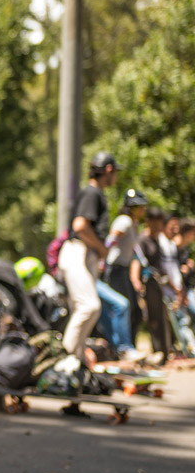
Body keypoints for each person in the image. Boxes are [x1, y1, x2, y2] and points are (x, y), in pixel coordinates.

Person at [57, 152, 120, 364]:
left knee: (82, 310)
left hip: (83, 255)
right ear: (108, 170)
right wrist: (102, 249)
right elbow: (80, 226)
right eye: (115, 172)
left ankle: (76, 363)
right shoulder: (92, 193)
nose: (115, 176)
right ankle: (63, 359)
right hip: (78, 252)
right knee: (89, 306)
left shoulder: (95, 193)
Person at [104, 189, 149, 352]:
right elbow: (111, 240)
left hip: (124, 269)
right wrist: (102, 259)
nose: (143, 210)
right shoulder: (124, 221)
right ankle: (121, 347)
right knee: (122, 307)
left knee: (133, 309)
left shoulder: (133, 223)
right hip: (115, 269)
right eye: (140, 207)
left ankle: (129, 346)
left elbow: (134, 249)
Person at [130, 206, 172, 365]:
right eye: (154, 222)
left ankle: (164, 353)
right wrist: (136, 281)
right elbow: (136, 261)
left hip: (159, 283)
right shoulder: (142, 240)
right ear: (147, 222)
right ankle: (157, 352)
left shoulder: (159, 240)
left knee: (162, 317)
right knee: (153, 318)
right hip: (148, 283)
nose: (157, 226)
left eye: (159, 223)